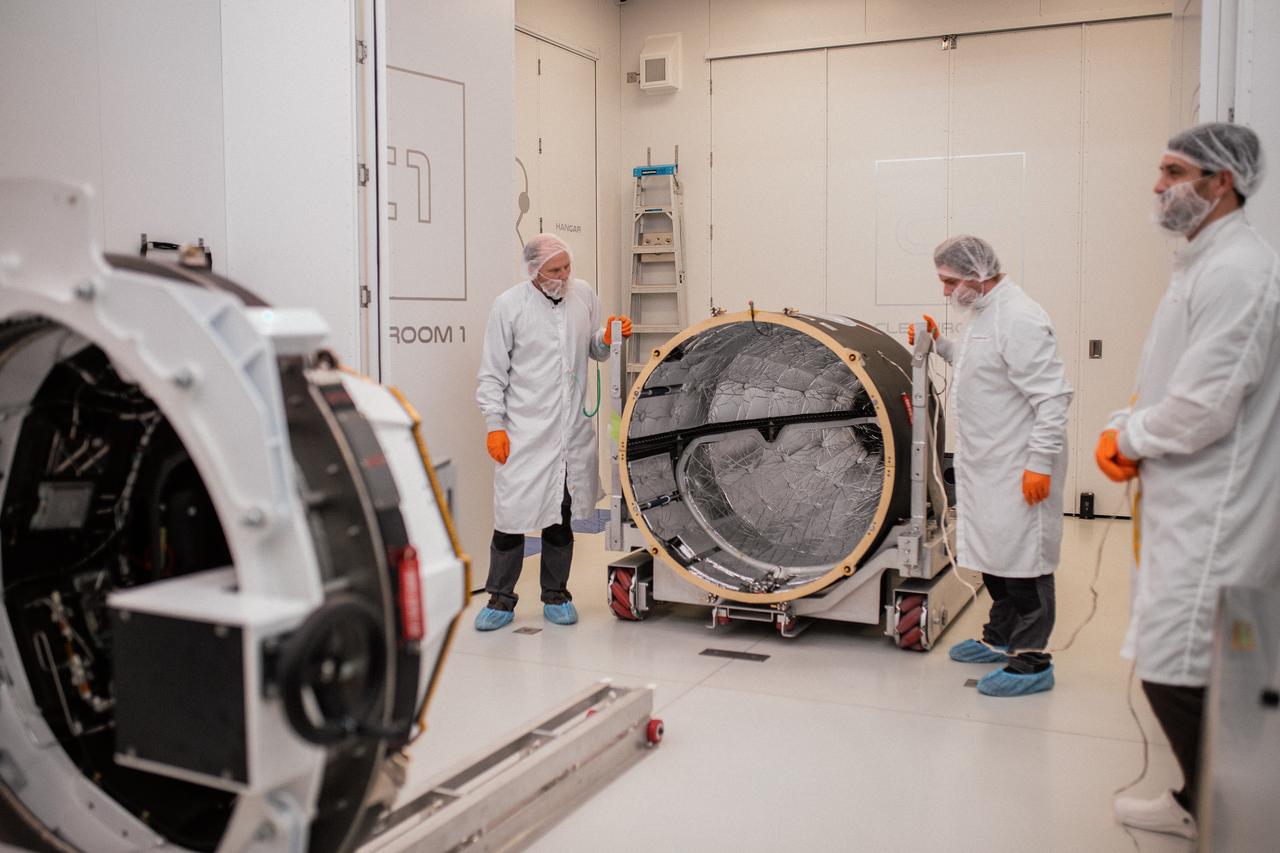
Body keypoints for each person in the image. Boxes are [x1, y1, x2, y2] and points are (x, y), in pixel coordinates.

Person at [1095, 122, 1279, 841]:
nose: (1157, 185)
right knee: (1182, 660)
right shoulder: (1203, 264)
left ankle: (1227, 815)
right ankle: (1202, 798)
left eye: (1173, 171)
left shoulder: (1239, 272)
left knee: (1177, 665)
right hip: (1186, 499)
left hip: (1217, 509)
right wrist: (1126, 422)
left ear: (1220, 181)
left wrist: (1130, 437)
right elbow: (1171, 377)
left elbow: (1206, 402)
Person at [909, 235, 1073, 697]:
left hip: (1020, 464)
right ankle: (999, 639)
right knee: (996, 558)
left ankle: (1031, 660)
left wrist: (1039, 463)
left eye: (948, 282)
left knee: (1026, 562)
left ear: (976, 275)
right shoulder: (986, 314)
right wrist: (939, 344)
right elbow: (978, 364)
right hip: (987, 463)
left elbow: (1053, 396)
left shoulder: (1019, 317)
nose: (945, 292)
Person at [474, 234, 632, 631]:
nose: (562, 276)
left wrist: (608, 337)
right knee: (511, 517)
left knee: (561, 516)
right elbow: (492, 375)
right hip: (524, 431)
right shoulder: (509, 306)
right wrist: (495, 426)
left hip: (570, 430)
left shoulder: (583, 295)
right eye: (553, 270)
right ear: (533, 270)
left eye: (566, 268)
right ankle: (501, 598)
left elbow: (593, 350)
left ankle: (556, 593)